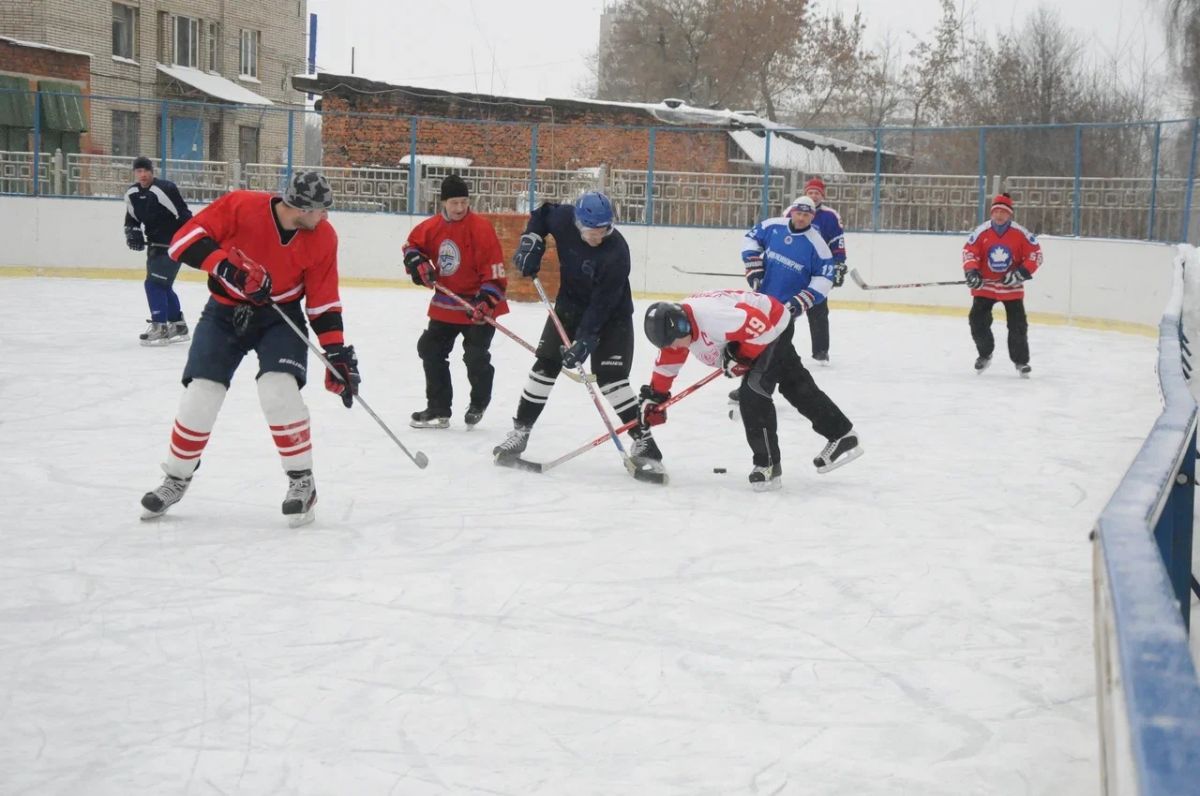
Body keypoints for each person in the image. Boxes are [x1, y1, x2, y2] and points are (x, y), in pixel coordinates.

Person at [139, 171, 361, 527]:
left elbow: (322, 301)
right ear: (300, 208)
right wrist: (226, 268)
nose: (326, 217)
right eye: (321, 210)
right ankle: (176, 478)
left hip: (279, 315)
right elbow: (183, 242)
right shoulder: (241, 205)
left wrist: (336, 355)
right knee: (202, 392)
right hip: (224, 310)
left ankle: (302, 481)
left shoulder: (323, 237)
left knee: (278, 389)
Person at [494, 191, 662, 479]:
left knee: (612, 379)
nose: (597, 236)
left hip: (612, 315)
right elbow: (542, 214)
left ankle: (644, 442)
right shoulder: (563, 218)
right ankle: (520, 432)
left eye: (604, 230)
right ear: (577, 223)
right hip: (570, 305)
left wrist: (585, 340)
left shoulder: (617, 253)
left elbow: (602, 305)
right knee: (545, 364)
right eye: (590, 231)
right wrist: (532, 240)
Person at [641, 290, 862, 491]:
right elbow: (668, 361)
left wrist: (740, 356)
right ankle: (842, 434)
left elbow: (761, 327)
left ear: (682, 326)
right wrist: (656, 396)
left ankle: (767, 466)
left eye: (672, 342)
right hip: (760, 329)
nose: (673, 348)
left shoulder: (714, 317)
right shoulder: (677, 329)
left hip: (772, 327)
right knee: (795, 385)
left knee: (753, 393)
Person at [403, 174, 508, 429]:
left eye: (463, 202)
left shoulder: (481, 228)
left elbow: (495, 272)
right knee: (431, 349)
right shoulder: (431, 227)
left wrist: (485, 300)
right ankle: (439, 408)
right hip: (447, 303)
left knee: (475, 357)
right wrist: (418, 264)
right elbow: (411, 247)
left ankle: (479, 402)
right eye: (454, 203)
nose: (460, 208)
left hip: (479, 304)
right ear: (443, 203)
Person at [962, 192, 1042, 377]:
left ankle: (1021, 362)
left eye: (1003, 212)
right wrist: (972, 272)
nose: (999, 215)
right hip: (985, 286)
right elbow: (969, 252)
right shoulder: (981, 232)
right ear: (991, 213)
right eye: (996, 211)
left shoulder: (1021, 233)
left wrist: (1021, 273)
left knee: (1018, 325)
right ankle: (985, 354)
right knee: (977, 321)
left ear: (1010, 214)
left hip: (1011, 287)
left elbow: (1036, 255)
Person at [124, 155, 193, 345]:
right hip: (155, 246)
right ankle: (178, 326)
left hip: (172, 246)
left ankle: (160, 326)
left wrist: (190, 239)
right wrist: (133, 233)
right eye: (139, 171)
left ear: (152, 172)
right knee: (162, 286)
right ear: (135, 173)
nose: (143, 174)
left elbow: (184, 215)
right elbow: (132, 219)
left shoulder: (165, 189)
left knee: (153, 285)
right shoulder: (132, 194)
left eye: (146, 170)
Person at [798, 177, 848, 364]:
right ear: (805, 194)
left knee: (818, 310)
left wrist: (839, 264)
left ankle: (820, 351)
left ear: (822, 195)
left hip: (819, 270)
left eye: (817, 193)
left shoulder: (830, 216)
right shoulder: (791, 212)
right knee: (784, 309)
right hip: (795, 268)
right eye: (810, 192)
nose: (813, 196)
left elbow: (837, 242)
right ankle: (777, 347)